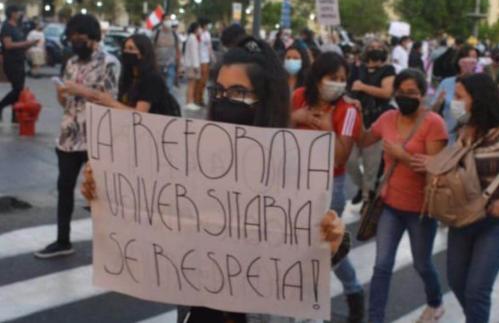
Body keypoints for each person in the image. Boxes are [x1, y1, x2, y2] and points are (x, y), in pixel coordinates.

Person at [80, 38, 349, 323]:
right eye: (219, 91)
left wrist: (334, 241)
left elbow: (312, 248)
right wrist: (104, 191)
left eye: (238, 93)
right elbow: (155, 213)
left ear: (267, 98)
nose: (224, 101)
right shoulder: (196, 157)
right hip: (203, 311)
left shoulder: (296, 162)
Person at [412, 73, 499, 323]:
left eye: (460, 97)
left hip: (497, 220)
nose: (455, 101)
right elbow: (460, 167)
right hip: (463, 216)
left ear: (479, 99)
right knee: (456, 280)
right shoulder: (467, 129)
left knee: (477, 290)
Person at [360, 69, 448, 323]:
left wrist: (403, 156)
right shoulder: (388, 117)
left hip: (420, 209)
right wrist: (353, 113)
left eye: (412, 93)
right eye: (401, 92)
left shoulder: (434, 124)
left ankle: (435, 301)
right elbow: (365, 140)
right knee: (381, 266)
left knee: (422, 264)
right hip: (389, 205)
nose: (406, 97)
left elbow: (435, 169)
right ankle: (375, 318)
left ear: (422, 95)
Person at [35, 13, 119, 259]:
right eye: (71, 38)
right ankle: (63, 240)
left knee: (100, 192)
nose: (74, 43)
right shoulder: (71, 63)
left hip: (97, 135)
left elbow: (109, 99)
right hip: (69, 135)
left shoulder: (109, 62)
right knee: (64, 187)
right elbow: (67, 102)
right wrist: (62, 93)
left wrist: (78, 89)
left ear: (92, 37)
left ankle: (112, 243)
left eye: (79, 38)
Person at [290, 52, 365, 322]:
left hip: (329, 185)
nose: (338, 84)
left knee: (323, 247)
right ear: (318, 77)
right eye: (333, 78)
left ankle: (328, 302)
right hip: (295, 182)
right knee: (310, 246)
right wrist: (294, 117)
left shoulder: (348, 110)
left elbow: (340, 157)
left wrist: (327, 129)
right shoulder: (298, 97)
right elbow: (276, 134)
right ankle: (350, 291)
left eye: (343, 79)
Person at [346, 41, 395, 203]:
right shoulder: (357, 68)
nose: (375, 50)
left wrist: (363, 87)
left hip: (376, 121)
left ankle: (367, 198)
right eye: (372, 47)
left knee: (371, 165)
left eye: (379, 47)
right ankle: (364, 188)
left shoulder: (388, 70)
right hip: (355, 119)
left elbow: (387, 93)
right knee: (350, 161)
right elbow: (349, 88)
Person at [82, 34, 172, 115]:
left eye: (131, 48)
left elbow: (140, 114)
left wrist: (110, 102)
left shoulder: (151, 79)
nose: (126, 52)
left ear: (143, 53)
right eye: (125, 48)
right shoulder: (128, 76)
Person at [0, 5, 39, 121]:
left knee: (19, 89)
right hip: (11, 61)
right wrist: (27, 44)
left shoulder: (18, 27)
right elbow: (8, 45)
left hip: (20, 60)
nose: (19, 14)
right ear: (12, 13)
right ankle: (1, 105)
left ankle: (15, 115)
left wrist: (29, 45)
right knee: (17, 89)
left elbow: (20, 43)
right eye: (17, 12)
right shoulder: (7, 27)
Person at [431, 45, 479, 139]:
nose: (473, 62)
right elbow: (433, 111)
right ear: (459, 61)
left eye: (475, 58)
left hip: (470, 139)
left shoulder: (480, 83)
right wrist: (439, 103)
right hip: (448, 137)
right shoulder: (447, 83)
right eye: (470, 58)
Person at [152, 20, 182, 92]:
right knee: (157, 85)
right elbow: (151, 48)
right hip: (157, 64)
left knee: (169, 86)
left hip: (170, 64)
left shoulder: (175, 35)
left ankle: (167, 100)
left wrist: (179, 64)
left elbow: (178, 50)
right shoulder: (156, 34)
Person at [195, 17, 215, 106]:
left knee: (202, 81)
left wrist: (212, 57)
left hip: (203, 60)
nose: (209, 26)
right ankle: (198, 99)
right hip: (202, 60)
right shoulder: (202, 33)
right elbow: (207, 47)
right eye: (208, 24)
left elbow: (209, 47)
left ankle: (199, 98)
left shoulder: (204, 33)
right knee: (201, 81)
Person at [183, 22, 202, 111]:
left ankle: (189, 101)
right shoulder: (193, 38)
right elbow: (194, 53)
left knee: (191, 84)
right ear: (196, 29)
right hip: (192, 65)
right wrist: (196, 66)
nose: (200, 30)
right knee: (191, 84)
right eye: (199, 28)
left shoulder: (191, 37)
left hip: (190, 64)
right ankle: (189, 102)